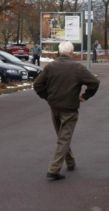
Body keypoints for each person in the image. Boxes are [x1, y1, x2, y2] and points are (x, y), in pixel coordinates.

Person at [33, 41, 100, 181]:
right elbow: (94, 82)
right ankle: (54, 169)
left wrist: (47, 97)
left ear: (59, 52)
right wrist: (85, 96)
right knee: (64, 138)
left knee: (62, 137)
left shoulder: (50, 67)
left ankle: (70, 162)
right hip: (70, 108)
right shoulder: (78, 68)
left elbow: (37, 84)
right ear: (71, 53)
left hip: (54, 107)